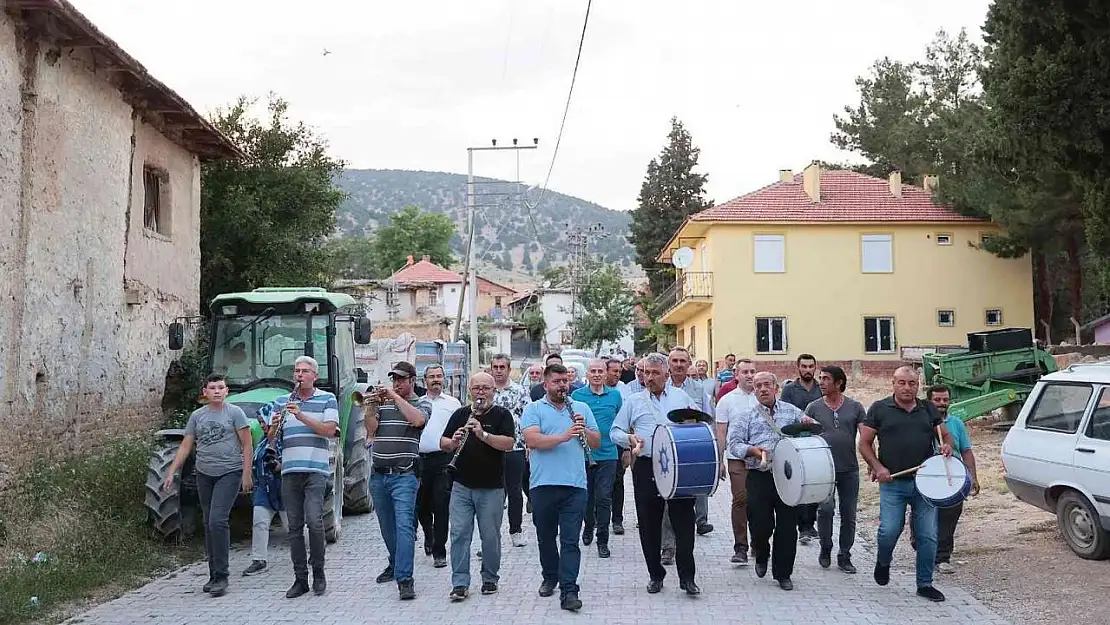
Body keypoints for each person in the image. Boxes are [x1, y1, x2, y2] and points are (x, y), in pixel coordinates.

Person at [859, 366, 955, 603]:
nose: (907, 388)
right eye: (901, 383)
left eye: (911, 383)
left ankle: (924, 584)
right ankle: (883, 561)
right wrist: (878, 467)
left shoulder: (927, 408)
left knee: (928, 536)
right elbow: (864, 443)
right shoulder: (880, 408)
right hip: (893, 482)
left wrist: (947, 446)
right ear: (893, 384)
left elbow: (945, 435)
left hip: (925, 482)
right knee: (889, 530)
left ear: (918, 385)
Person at [610, 353, 703, 596]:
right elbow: (615, 431)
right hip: (647, 465)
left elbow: (698, 426)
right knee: (649, 524)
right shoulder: (634, 401)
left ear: (666, 375)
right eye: (645, 373)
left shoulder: (682, 397)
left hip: (678, 466)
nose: (648, 378)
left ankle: (687, 578)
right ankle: (655, 574)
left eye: (654, 373)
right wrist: (630, 438)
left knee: (684, 522)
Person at [162, 374, 252, 597]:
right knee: (208, 523)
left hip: (229, 472)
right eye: (212, 388)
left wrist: (246, 473)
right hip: (204, 473)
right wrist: (171, 471)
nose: (217, 391)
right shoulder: (197, 416)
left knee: (217, 521)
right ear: (205, 392)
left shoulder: (235, 413)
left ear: (227, 391)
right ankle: (213, 575)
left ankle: (222, 576)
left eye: (221, 387)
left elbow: (247, 443)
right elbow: (186, 445)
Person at [521, 363, 600, 612]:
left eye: (565, 381)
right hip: (542, 484)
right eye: (556, 382)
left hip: (575, 485)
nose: (562, 385)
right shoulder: (534, 409)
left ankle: (569, 591)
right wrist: (564, 436)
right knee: (546, 538)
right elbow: (532, 439)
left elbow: (597, 441)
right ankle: (550, 575)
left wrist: (583, 429)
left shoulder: (581, 408)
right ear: (545, 385)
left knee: (570, 541)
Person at [727, 371, 813, 591]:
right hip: (759, 476)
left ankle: (783, 574)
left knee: (787, 527)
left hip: (787, 477)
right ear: (753, 390)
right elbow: (734, 444)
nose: (763, 389)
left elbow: (810, 431)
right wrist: (752, 451)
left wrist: (808, 423)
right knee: (760, 524)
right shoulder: (746, 416)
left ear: (776, 387)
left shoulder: (792, 412)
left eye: (767, 384)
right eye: (758, 386)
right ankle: (761, 553)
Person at [264, 357, 339, 599]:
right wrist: (273, 426)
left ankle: (319, 572)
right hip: (289, 471)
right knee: (293, 528)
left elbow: (329, 431)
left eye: (305, 371)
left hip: (316, 470)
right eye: (297, 371)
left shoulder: (327, 399)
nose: (300, 375)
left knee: (315, 522)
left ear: (314, 376)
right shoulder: (281, 401)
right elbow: (272, 439)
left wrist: (302, 415)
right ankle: (300, 579)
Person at [440, 373, 516, 601]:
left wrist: (482, 434)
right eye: (476, 388)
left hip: (491, 487)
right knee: (459, 534)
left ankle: (490, 578)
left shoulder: (502, 415)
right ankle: (460, 583)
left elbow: (509, 444)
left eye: (485, 388)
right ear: (470, 391)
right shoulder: (460, 414)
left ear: (494, 390)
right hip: (461, 485)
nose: (480, 392)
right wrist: (453, 442)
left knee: (490, 536)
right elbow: (442, 443)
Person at [365, 361, 432, 600]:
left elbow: (417, 421)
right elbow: (371, 431)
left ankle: (405, 579)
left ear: (413, 381)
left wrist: (393, 397)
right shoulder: (384, 404)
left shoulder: (422, 402)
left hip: (404, 475)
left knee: (404, 527)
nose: (396, 383)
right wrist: (370, 407)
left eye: (401, 380)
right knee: (387, 528)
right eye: (394, 380)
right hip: (379, 475)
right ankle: (395, 564)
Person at [910, 384, 979, 575]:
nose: (942, 404)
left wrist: (972, 477)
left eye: (945, 400)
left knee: (949, 517)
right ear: (929, 401)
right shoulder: (918, 420)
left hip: (953, 477)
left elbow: (966, 450)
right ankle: (921, 547)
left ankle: (942, 557)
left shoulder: (956, 423)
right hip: (927, 477)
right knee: (921, 515)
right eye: (937, 400)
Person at [804, 365, 866, 574]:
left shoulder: (855, 407)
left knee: (848, 514)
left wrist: (872, 463)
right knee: (826, 509)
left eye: (826, 379)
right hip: (824, 469)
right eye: (820, 378)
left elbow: (866, 437)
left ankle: (845, 554)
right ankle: (825, 546)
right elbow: (805, 437)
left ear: (839, 383)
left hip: (849, 468)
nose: (820, 382)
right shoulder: (813, 407)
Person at [572, 359, 623, 558]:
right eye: (592, 371)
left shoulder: (615, 395)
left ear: (606, 373)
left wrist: (625, 449)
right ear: (587, 374)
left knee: (604, 497)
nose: (596, 374)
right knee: (586, 497)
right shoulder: (577, 395)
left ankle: (603, 539)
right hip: (583, 453)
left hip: (609, 454)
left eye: (600, 371)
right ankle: (588, 526)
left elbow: (621, 422)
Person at [665, 347, 715, 540]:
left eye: (682, 361)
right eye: (675, 361)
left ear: (689, 364)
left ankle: (701, 521)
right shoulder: (662, 385)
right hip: (670, 447)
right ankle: (668, 545)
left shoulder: (699, 389)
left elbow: (709, 418)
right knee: (670, 498)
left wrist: (716, 454)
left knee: (699, 485)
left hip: (694, 446)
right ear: (669, 364)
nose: (678, 365)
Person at [415, 364, 461, 568]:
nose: (436, 380)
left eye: (439, 376)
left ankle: (440, 551)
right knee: (422, 507)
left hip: (443, 460)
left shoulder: (453, 404)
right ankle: (429, 535)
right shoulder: (417, 403)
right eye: (431, 376)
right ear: (424, 380)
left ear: (444, 379)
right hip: (418, 460)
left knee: (441, 506)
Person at [715, 358, 758, 564]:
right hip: (737, 457)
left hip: (762, 458)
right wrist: (719, 460)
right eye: (745, 372)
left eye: (752, 371)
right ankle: (740, 546)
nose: (749, 375)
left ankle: (759, 542)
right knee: (741, 499)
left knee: (760, 502)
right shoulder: (727, 400)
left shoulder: (764, 397)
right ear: (737, 375)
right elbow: (721, 432)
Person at [488, 353, 532, 548]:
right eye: (495, 367)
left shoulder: (519, 391)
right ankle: (490, 535)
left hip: (515, 448)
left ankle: (516, 530)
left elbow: (528, 418)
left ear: (508, 369)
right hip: (489, 448)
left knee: (514, 491)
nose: (498, 370)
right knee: (493, 493)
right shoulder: (486, 391)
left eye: (502, 367)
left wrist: (528, 443)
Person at [242, 404, 288, 577]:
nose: (261, 424)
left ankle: (313, 554)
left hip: (282, 488)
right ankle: (259, 560)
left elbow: (290, 462)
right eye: (260, 421)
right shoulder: (263, 441)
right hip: (264, 488)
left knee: (292, 526)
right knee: (259, 522)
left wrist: (279, 466)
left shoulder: (284, 439)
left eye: (264, 420)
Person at [780, 353, 822, 543]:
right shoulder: (789, 389)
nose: (807, 370)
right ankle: (801, 525)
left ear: (815, 367)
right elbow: (784, 414)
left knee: (815, 480)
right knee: (799, 480)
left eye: (810, 366)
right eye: (803, 366)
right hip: (796, 441)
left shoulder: (821, 389)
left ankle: (809, 524)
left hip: (815, 441)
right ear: (798, 368)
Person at [604, 358, 628, 534]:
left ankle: (617, 520)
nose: (617, 374)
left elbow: (628, 420)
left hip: (618, 442)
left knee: (617, 481)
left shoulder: (623, 390)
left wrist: (627, 448)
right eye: (614, 371)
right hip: (599, 442)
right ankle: (599, 517)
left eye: (619, 371)